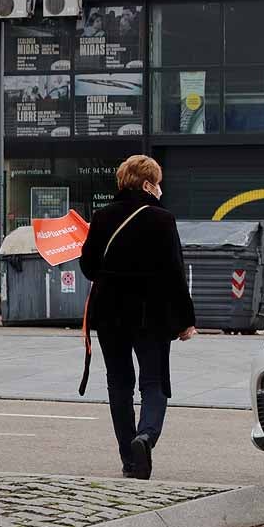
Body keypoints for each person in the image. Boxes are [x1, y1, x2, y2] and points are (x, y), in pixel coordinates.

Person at [80, 155, 197, 480]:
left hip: (109, 315)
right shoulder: (162, 219)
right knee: (153, 383)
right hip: (151, 316)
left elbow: (89, 267)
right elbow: (175, 273)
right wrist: (186, 318)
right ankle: (145, 437)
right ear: (147, 184)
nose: (160, 190)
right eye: (158, 184)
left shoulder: (102, 217)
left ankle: (130, 462)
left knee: (119, 385)